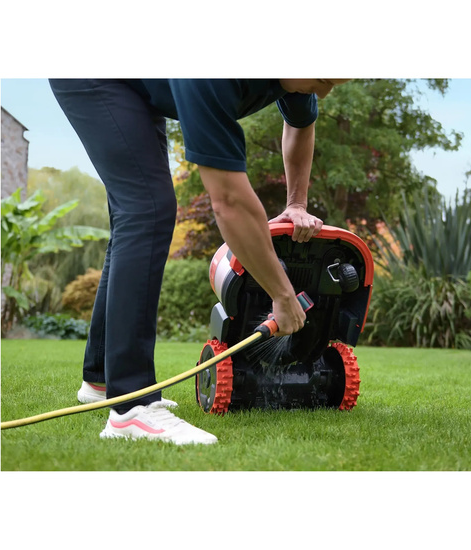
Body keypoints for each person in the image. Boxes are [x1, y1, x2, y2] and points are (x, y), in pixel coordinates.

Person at [49, 78, 349, 446]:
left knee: (140, 212)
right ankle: (131, 407)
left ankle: (101, 380)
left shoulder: (298, 82)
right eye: (323, 79)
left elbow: (301, 125)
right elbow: (229, 199)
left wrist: (296, 204)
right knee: (147, 208)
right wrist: (283, 295)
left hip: (136, 84)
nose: (326, 91)